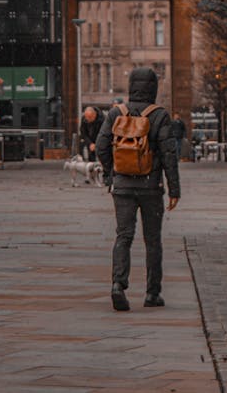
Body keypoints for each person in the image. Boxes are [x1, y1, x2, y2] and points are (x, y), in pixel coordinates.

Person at [96, 67, 180, 312]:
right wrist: (174, 189)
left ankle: (118, 285)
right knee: (153, 240)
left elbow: (102, 146)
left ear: (131, 86)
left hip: (122, 186)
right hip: (151, 187)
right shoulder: (159, 115)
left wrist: (112, 173)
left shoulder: (115, 113)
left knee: (124, 236)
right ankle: (153, 293)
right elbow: (168, 155)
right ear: (153, 88)